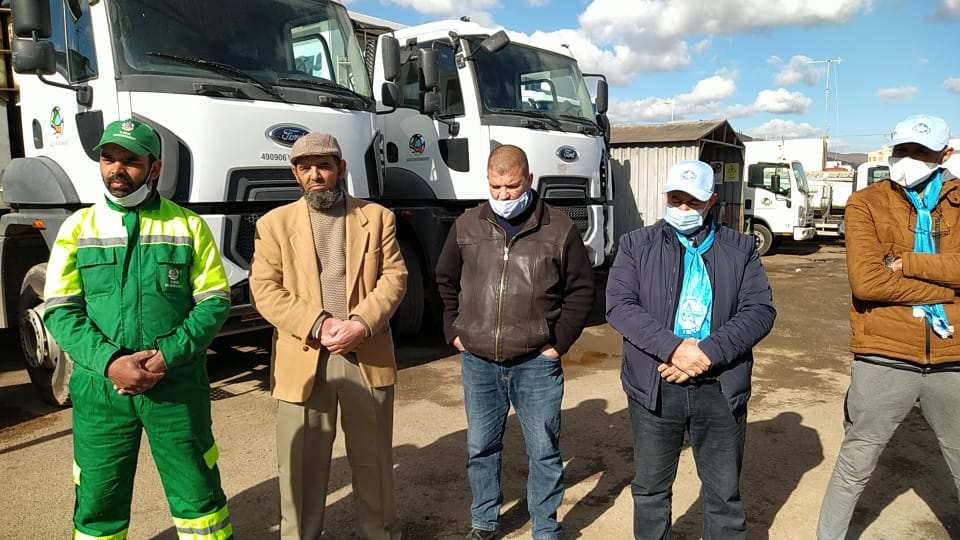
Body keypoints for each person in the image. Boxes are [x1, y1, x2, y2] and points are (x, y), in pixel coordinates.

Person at [43, 119, 234, 539]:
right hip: (101, 392)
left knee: (199, 497)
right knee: (98, 504)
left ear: (155, 167)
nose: (116, 168)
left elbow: (214, 302)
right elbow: (59, 309)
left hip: (176, 386)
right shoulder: (78, 228)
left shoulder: (188, 226)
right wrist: (111, 363)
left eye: (130, 160)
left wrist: (167, 356)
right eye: (108, 158)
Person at [605, 159, 776, 540]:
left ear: (712, 200)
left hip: (719, 387)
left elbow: (759, 311)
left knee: (723, 495)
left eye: (693, 202)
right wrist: (674, 349)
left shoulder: (741, 249)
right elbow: (619, 305)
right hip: (655, 386)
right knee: (650, 490)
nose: (682, 208)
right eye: (675, 199)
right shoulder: (635, 245)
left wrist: (707, 353)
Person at [249, 132, 407, 540]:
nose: (315, 175)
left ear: (341, 169)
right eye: (305, 168)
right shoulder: (273, 224)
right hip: (304, 356)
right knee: (300, 467)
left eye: (324, 166)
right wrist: (319, 324)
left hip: (364, 352)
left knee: (374, 464)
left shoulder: (378, 218)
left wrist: (360, 324)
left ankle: (381, 535)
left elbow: (394, 278)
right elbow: (264, 290)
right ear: (295, 174)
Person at [435, 144, 595, 540]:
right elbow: (445, 279)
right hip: (479, 361)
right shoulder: (467, 226)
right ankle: (485, 521)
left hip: (535, 362)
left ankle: (546, 527)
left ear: (529, 179)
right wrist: (454, 331)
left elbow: (581, 290)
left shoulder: (559, 228)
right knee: (480, 447)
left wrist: (557, 343)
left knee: (543, 450)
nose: (504, 195)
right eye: (496, 187)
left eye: (512, 186)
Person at [817, 114, 959, 539]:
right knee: (855, 462)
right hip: (884, 355)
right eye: (902, 150)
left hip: (953, 357)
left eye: (921, 151)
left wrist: (906, 262)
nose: (908, 158)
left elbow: (888, 276)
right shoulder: (866, 203)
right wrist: (950, 291)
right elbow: (868, 282)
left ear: (945, 154)